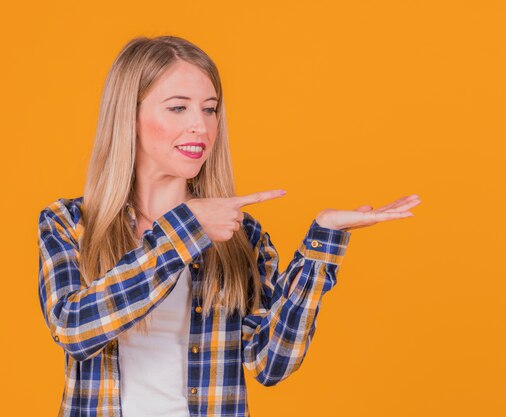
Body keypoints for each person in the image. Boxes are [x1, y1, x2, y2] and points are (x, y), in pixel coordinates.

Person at [37, 35, 420, 417]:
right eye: (178, 108)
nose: (200, 127)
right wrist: (186, 230)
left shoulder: (240, 234)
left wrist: (323, 242)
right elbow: (73, 329)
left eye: (209, 109)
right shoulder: (69, 222)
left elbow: (272, 364)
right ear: (129, 116)